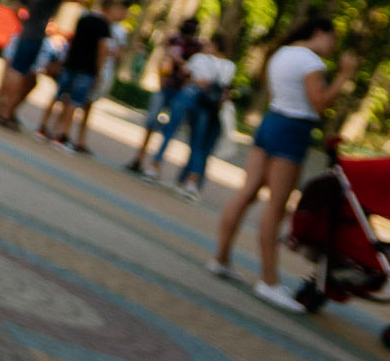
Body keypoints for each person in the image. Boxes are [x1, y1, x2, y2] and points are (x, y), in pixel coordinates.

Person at [210, 17, 357, 311]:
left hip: (272, 120)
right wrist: (344, 76)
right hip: (293, 129)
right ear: (319, 32)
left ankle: (221, 259)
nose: (332, 47)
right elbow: (319, 103)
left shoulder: (283, 53)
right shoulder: (311, 62)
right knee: (276, 206)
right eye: (332, 40)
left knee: (247, 192)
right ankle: (269, 281)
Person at [0, 0, 74, 127]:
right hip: (35, 36)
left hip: (24, 32)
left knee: (13, 71)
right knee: (19, 72)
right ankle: (6, 111)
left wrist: (24, 22)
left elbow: (15, 7)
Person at [40, 0, 120, 152]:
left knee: (58, 96)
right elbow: (102, 49)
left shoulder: (84, 18)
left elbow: (73, 40)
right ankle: (61, 134)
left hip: (71, 63)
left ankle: (43, 126)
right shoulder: (104, 26)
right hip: (87, 68)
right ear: (109, 9)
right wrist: (98, 71)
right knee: (74, 102)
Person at [124, 17, 198, 178]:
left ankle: (155, 164)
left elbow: (190, 70)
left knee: (170, 129)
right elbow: (163, 58)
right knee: (151, 121)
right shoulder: (174, 40)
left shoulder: (196, 47)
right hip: (165, 86)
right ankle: (140, 157)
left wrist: (177, 59)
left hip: (181, 91)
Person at [171, 40, 237, 200]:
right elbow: (226, 88)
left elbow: (188, 75)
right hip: (218, 109)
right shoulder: (230, 66)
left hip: (205, 106)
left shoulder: (204, 60)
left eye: (209, 46)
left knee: (197, 145)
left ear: (216, 47)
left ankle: (189, 181)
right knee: (205, 148)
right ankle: (193, 183)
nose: (205, 49)